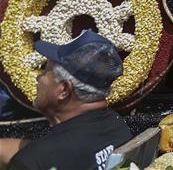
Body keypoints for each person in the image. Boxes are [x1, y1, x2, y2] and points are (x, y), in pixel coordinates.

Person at [0, 31, 132, 170]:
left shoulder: (32, 162)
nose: (39, 77)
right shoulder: (117, 126)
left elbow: (41, 156)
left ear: (63, 90)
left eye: (45, 70)